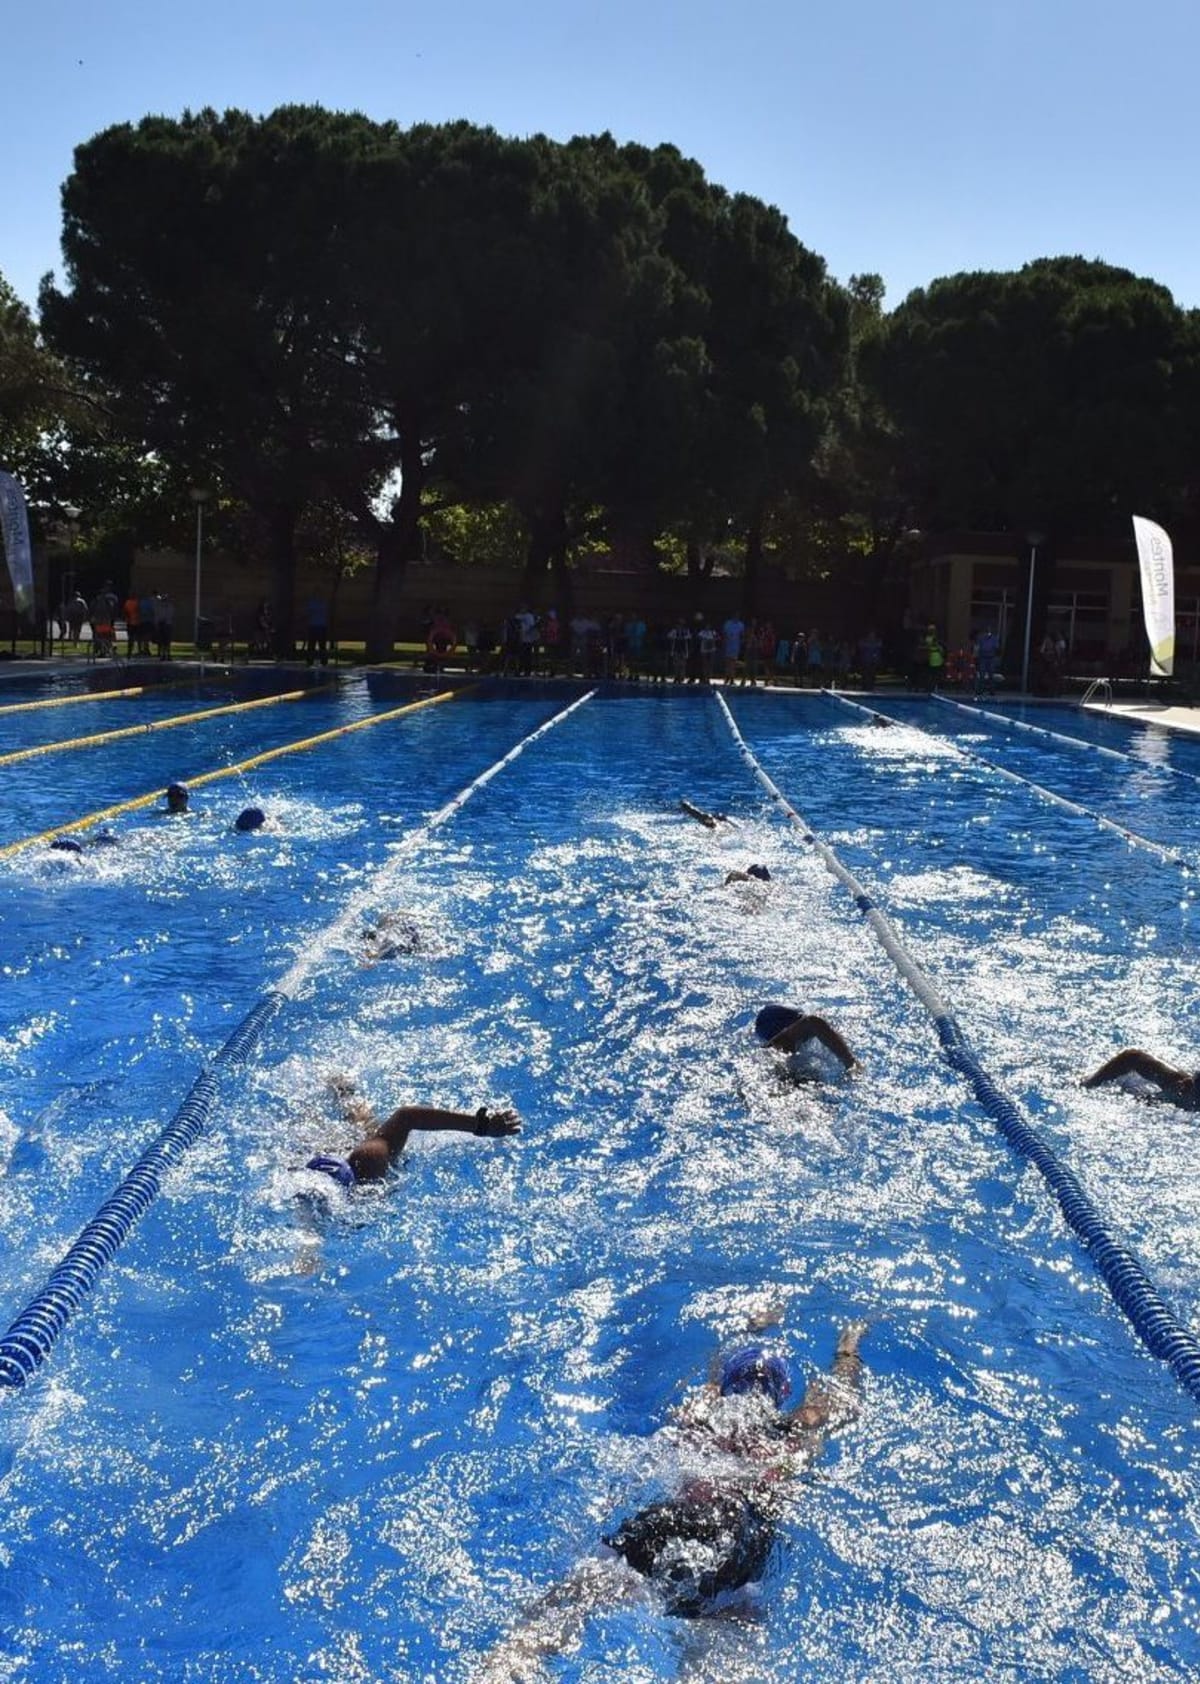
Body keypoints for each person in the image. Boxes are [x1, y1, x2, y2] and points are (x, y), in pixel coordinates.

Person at [471, 1320, 866, 1681]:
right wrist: (848, 1347)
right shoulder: (796, 1435)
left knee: (576, 1595)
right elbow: (837, 1398)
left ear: (727, 1388)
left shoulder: (699, 1417)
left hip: (668, 1526)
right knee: (722, 1649)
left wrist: (742, 1331)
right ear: (782, 1395)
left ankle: (504, 1668)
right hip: (738, 1554)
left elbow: (714, 1379)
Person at [301, 1078, 519, 1187]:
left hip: (366, 1158)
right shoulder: (304, 1187)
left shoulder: (368, 1163)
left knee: (365, 1131)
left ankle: (344, 1092)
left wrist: (482, 1126)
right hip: (320, 1165)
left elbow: (407, 1116)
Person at [754, 1003, 859, 1080]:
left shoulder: (807, 1026)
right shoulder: (783, 1045)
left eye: (778, 1039)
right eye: (771, 1044)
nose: (778, 1047)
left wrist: (850, 1063)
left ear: (793, 1027)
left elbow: (813, 1022)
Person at [1082, 1049, 1200, 1111]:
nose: (1182, 1085)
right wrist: (1090, 1083)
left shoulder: (1180, 1089)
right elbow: (1132, 1057)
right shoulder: (1176, 1082)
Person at [306, 595, 330, 667]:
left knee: (319, 645)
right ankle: (313, 661)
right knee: (313, 645)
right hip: (316, 626)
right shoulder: (321, 603)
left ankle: (321, 661)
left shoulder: (321, 603)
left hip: (319, 626)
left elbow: (308, 614)